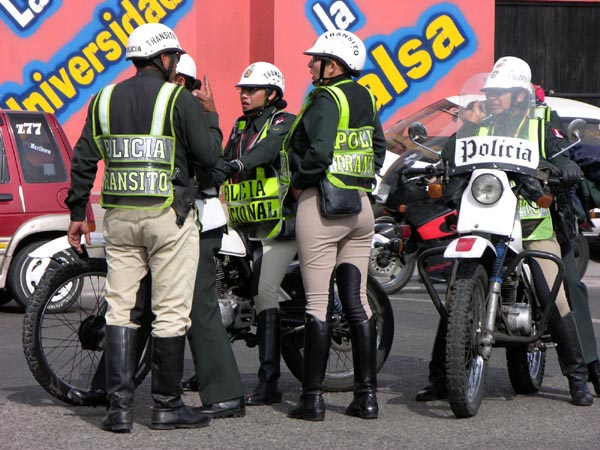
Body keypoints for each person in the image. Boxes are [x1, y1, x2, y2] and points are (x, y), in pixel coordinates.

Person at [65, 22, 222, 432]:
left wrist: (78, 212)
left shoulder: (102, 99)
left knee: (120, 308)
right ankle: (166, 407)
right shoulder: (178, 98)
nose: (176, 65)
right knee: (170, 312)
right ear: (164, 57)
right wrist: (211, 117)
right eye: (175, 58)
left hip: (119, 217)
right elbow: (208, 158)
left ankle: (118, 410)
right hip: (168, 216)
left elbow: (84, 158)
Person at [416, 56, 593, 407]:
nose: (492, 97)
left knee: (552, 293)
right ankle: (440, 378)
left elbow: (559, 153)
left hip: (532, 225)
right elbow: (454, 152)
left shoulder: (541, 122)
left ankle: (577, 379)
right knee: (455, 294)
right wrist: (440, 159)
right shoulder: (482, 125)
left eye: (500, 92)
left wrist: (566, 166)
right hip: (487, 222)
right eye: (490, 91)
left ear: (520, 95)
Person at [285, 30, 386, 421]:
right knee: (357, 301)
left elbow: (319, 151)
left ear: (333, 65)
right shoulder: (366, 97)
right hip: (360, 208)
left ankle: (312, 400)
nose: (310, 64)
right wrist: (360, 180)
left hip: (323, 206)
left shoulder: (327, 98)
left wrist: (299, 183)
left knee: (317, 303)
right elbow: (378, 148)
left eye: (316, 59)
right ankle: (367, 397)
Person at [173, 54, 246, 418]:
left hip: (199, 220)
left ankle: (225, 393)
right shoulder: (177, 111)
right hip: (176, 219)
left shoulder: (188, 114)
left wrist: (212, 118)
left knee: (198, 306)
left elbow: (211, 165)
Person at [221, 62, 297, 406]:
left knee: (265, 293)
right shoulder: (240, 126)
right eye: (243, 89)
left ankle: (270, 382)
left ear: (272, 94)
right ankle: (214, 369)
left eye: (252, 90)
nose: (245, 95)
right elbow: (224, 159)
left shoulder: (284, 122)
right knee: (221, 284)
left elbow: (267, 151)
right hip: (246, 222)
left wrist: (239, 164)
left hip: (279, 224)